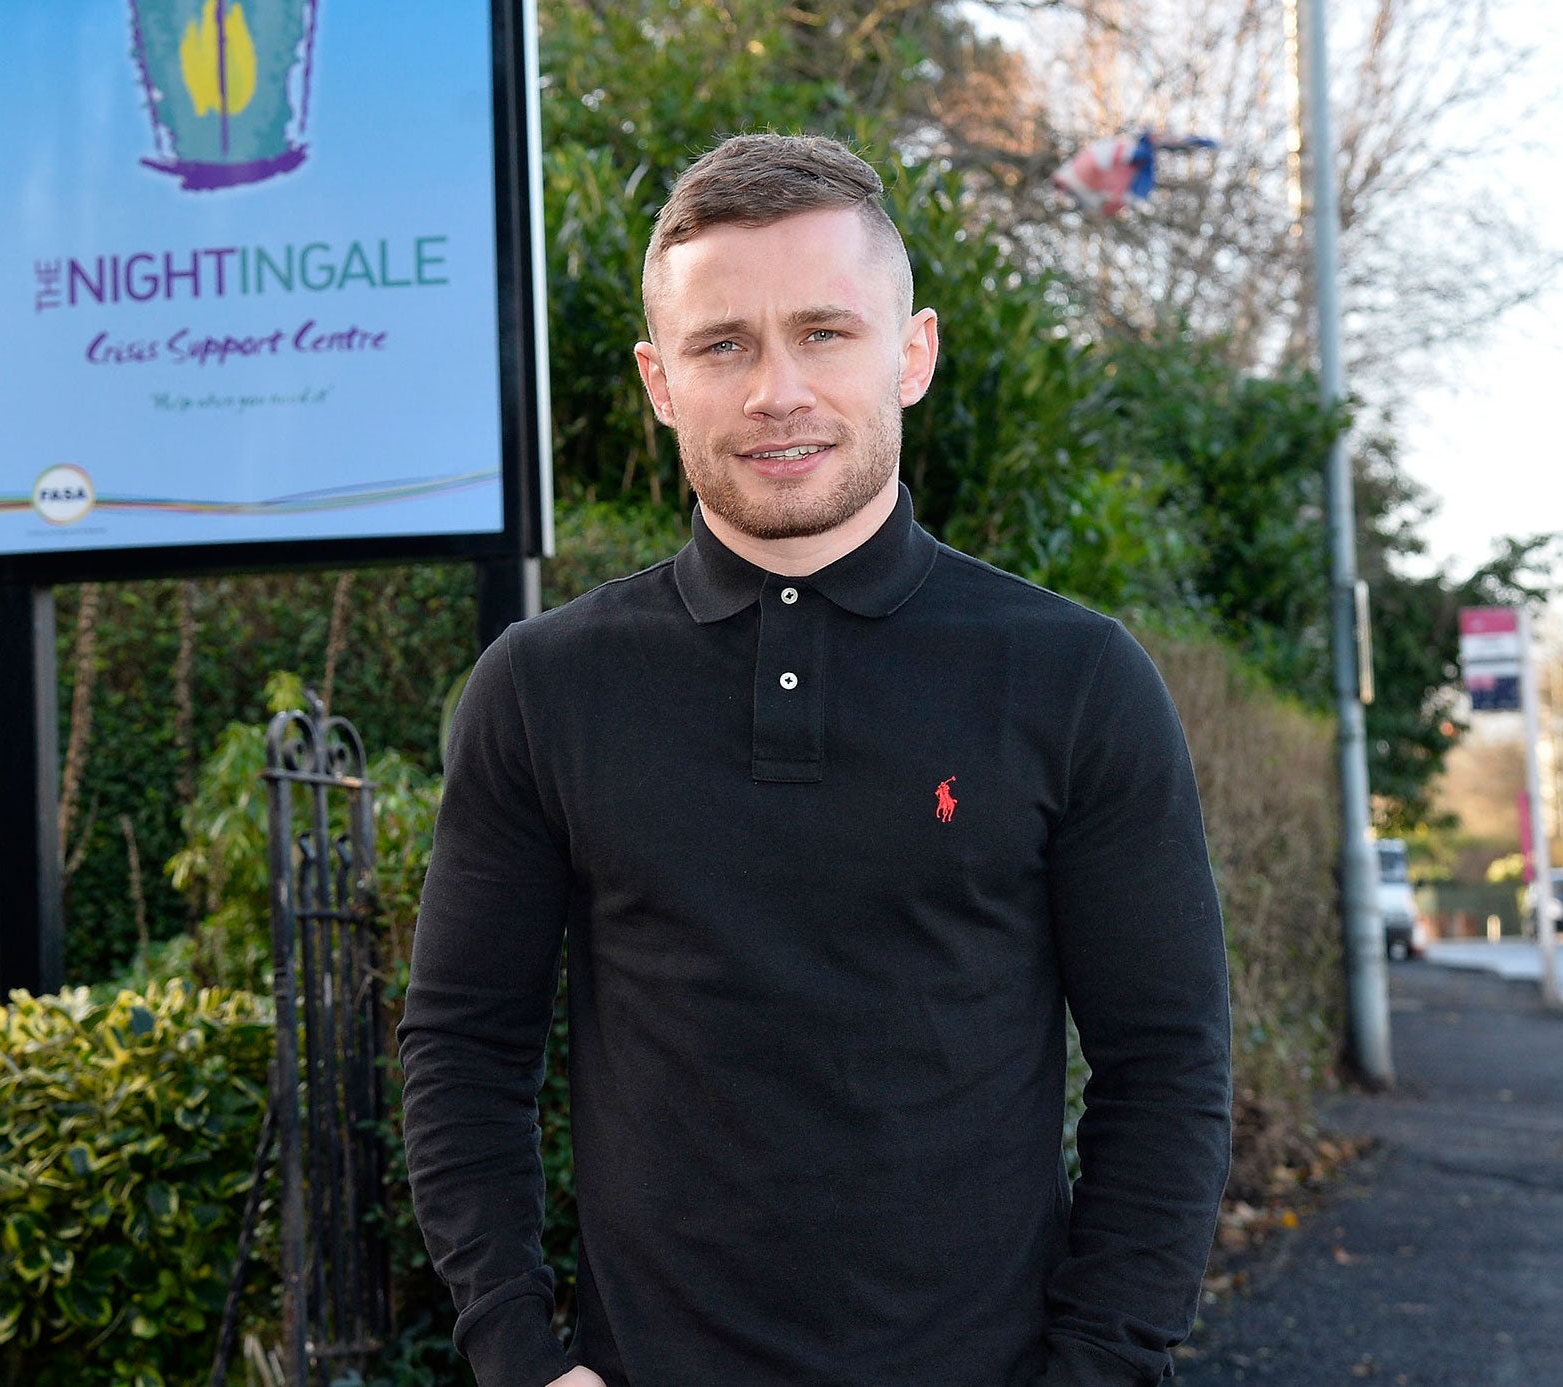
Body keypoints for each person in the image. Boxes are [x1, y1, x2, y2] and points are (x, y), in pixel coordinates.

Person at [398, 134, 1231, 1387]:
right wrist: (519, 1355)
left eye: (823, 331)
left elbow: (1166, 1066)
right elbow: (463, 1045)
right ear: (659, 380)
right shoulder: (543, 689)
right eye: (721, 343)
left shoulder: (1072, 678)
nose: (773, 389)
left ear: (912, 353)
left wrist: (1101, 1364)